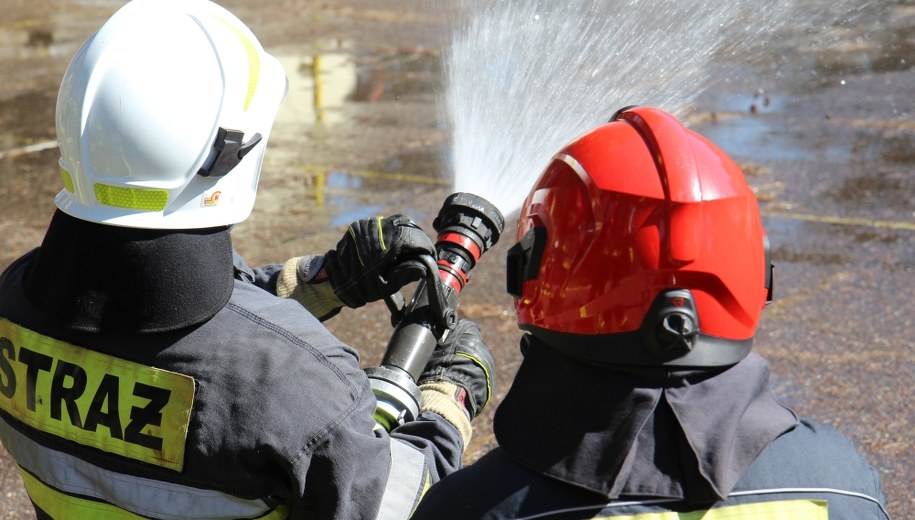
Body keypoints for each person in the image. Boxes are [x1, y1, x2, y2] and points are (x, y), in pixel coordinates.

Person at [0, 1, 494, 518]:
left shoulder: (15, 306)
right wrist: (446, 401)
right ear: (230, 157)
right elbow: (398, 504)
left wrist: (326, 280)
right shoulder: (303, 392)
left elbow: (181, 326)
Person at [411, 106, 889, 519]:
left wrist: (431, 431)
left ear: (533, 275)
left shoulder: (471, 509)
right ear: (756, 274)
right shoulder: (843, 484)